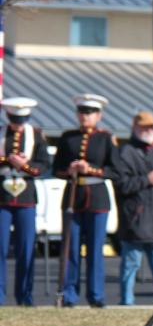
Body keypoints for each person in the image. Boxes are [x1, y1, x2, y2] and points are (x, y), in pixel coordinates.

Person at [53, 94, 118, 308]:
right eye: (82, 112)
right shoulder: (67, 137)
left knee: (94, 249)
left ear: (99, 115)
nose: (85, 116)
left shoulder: (106, 138)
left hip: (97, 197)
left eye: (89, 112)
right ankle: (69, 295)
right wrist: (69, 170)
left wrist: (91, 170)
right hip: (73, 195)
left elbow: (116, 171)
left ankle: (96, 295)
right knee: (70, 249)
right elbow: (56, 169)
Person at [114, 110, 153, 305]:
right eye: (144, 127)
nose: (149, 130)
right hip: (136, 220)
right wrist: (147, 180)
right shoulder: (126, 152)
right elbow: (122, 184)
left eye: (151, 127)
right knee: (131, 264)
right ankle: (126, 302)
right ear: (135, 128)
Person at [0, 97, 50, 306]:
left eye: (22, 119)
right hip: (2, 197)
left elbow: (43, 165)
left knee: (26, 248)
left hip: (26, 197)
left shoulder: (36, 135)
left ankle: (25, 295)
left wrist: (24, 165)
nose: (18, 123)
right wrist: (7, 160)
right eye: (14, 118)